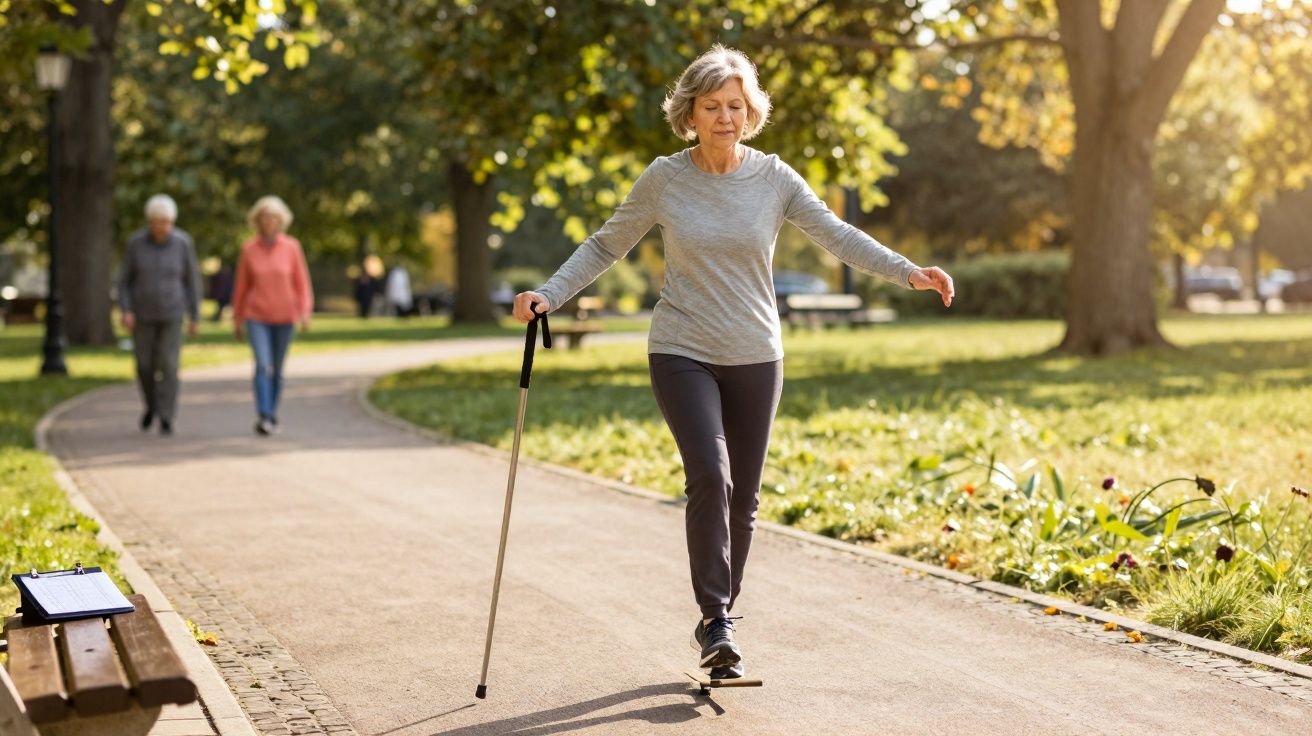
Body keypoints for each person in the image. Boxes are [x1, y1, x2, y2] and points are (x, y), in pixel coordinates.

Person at [513, 45, 954, 681]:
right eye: (712, 106)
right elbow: (606, 244)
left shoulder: (774, 178)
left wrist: (908, 271)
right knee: (711, 475)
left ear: (751, 113)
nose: (726, 117)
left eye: (736, 106)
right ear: (689, 113)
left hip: (756, 353)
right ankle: (716, 615)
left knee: (743, 499)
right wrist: (549, 294)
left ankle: (718, 624)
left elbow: (837, 234)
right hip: (682, 348)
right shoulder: (665, 179)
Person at [117, 194, 201, 436]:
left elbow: (192, 281)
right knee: (144, 365)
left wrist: (195, 315)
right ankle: (152, 406)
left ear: (172, 222)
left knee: (168, 364)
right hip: (142, 314)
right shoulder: (136, 244)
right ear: (149, 222)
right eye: (156, 222)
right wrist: (126, 310)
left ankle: (166, 415)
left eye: (165, 222)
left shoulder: (183, 243)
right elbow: (124, 282)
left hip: (172, 313)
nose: (161, 227)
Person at [231, 195, 313, 436]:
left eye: (273, 218)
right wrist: (237, 319)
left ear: (280, 221)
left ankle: (272, 411)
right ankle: (264, 414)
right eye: (264, 218)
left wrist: (305, 312)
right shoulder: (249, 249)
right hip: (257, 316)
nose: (268, 222)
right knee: (262, 365)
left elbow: (302, 283)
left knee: (277, 369)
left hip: (285, 316)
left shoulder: (292, 247)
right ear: (257, 221)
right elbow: (241, 287)